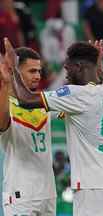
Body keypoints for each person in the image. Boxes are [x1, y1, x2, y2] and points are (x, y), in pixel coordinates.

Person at [8, 40, 103, 216]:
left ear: (79, 66)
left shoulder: (75, 94)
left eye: (68, 68)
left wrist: (13, 68)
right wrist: (100, 69)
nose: (66, 74)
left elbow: (25, 100)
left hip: (91, 184)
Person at [0, 42, 56, 215]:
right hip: (21, 194)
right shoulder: (5, 103)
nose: (38, 76)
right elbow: (2, 124)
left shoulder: (43, 101)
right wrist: (8, 81)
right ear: (17, 71)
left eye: (39, 71)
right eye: (32, 71)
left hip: (48, 193)